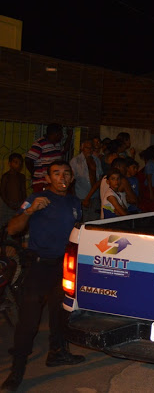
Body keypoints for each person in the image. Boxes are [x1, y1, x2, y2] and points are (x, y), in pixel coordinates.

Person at [1, 161, 84, 391]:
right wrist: (29, 211)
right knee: (29, 322)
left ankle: (57, 353)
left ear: (72, 178)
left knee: (61, 315)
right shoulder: (36, 198)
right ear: (48, 178)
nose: (62, 177)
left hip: (64, 268)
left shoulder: (74, 202)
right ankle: (16, 372)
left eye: (66, 173)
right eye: (56, 174)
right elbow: (12, 229)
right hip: (39, 267)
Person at [25, 123, 71, 193]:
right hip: (42, 182)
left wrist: (69, 136)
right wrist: (34, 173)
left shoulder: (57, 144)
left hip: (53, 181)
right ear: (55, 134)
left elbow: (64, 149)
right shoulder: (39, 144)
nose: (62, 136)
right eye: (61, 133)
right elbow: (28, 159)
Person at [70, 139, 103, 222]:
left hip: (95, 197)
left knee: (94, 222)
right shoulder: (75, 161)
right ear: (82, 148)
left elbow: (100, 178)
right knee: (81, 222)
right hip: (80, 196)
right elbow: (71, 181)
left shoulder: (96, 160)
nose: (89, 150)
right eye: (87, 148)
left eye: (91, 148)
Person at [1, 153, 26, 229]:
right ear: (9, 163)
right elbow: (2, 192)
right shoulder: (6, 176)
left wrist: (23, 204)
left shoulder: (22, 177)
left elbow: (23, 191)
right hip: (7, 204)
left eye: (20, 163)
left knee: (17, 225)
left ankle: (15, 240)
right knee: (4, 223)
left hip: (19, 204)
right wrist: (8, 203)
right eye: (15, 162)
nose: (18, 165)